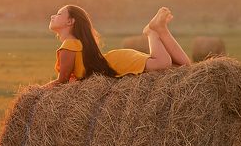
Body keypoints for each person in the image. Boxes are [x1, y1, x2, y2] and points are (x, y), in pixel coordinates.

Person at [44, 5, 190, 87]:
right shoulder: (75, 43)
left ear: (70, 22)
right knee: (184, 66)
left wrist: (39, 91)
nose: (53, 16)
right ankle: (161, 30)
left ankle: (152, 33)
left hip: (118, 63)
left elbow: (61, 81)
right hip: (117, 60)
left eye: (58, 14)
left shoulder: (68, 46)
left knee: (162, 63)